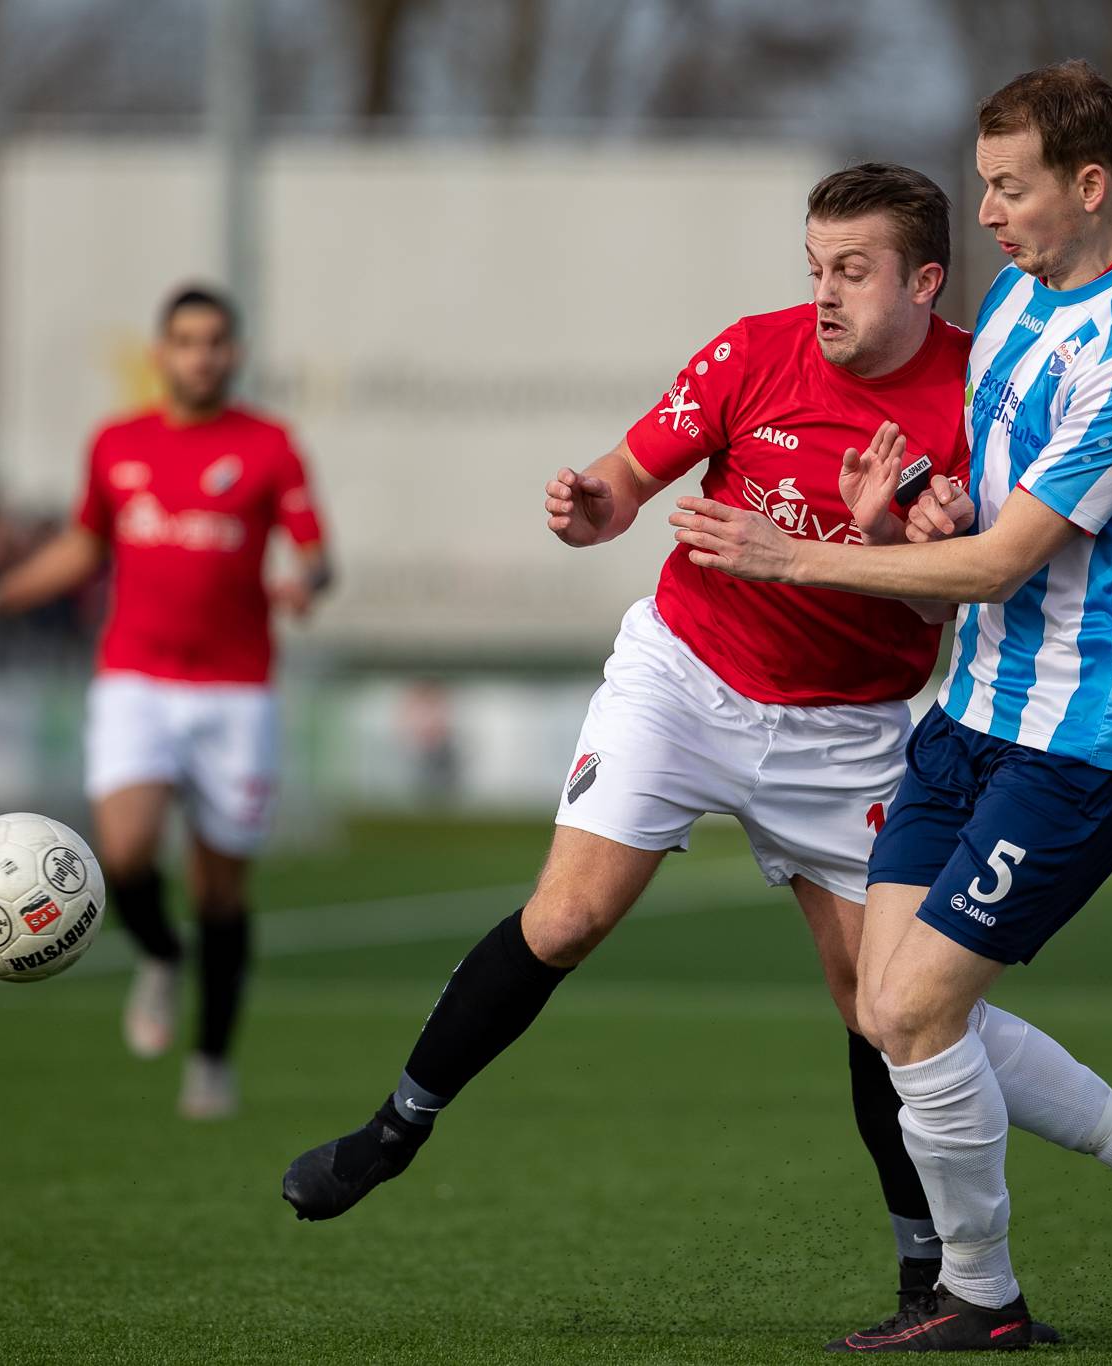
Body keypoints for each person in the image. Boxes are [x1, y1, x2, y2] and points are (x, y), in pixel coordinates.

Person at [281, 162, 1037, 1336]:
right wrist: (591, 507)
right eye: (814, 267)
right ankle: (394, 1128)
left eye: (852, 270)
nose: (824, 293)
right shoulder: (752, 351)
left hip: (845, 730)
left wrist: (898, 533)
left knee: (878, 1003)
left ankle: (924, 1270)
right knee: (566, 917)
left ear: (924, 281)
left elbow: (961, 594)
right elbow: (625, 480)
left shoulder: (981, 394)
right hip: (685, 677)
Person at [671, 62, 1112, 1351]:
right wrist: (919, 511)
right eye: (981, 183)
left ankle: (981, 1296)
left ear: (1087, 186)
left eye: (1007, 188)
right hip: (971, 707)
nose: (983, 211)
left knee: (914, 1010)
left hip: (1079, 738)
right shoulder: (1020, 303)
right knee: (889, 1009)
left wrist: (794, 554)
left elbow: (1000, 565)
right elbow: (983, 520)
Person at [0, 284, 331, 1119]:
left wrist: (306, 583)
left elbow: (316, 551)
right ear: (161, 353)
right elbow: (83, 548)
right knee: (125, 852)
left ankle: (211, 1059)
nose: (201, 356)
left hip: (237, 693)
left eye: (215, 341)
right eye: (186, 340)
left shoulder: (270, 446)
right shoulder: (116, 444)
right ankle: (160, 953)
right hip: (136, 680)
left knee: (221, 890)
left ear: (234, 353)